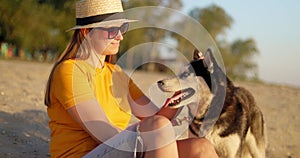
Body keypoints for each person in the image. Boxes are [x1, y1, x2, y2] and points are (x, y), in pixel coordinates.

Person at [44, 0, 218, 157]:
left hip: (120, 148)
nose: (120, 36)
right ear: (85, 32)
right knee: (158, 127)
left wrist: (188, 84)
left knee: (201, 147)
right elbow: (103, 133)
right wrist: (150, 138)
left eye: (122, 28)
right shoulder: (70, 71)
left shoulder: (117, 73)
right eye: (112, 30)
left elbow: (157, 117)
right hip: (85, 154)